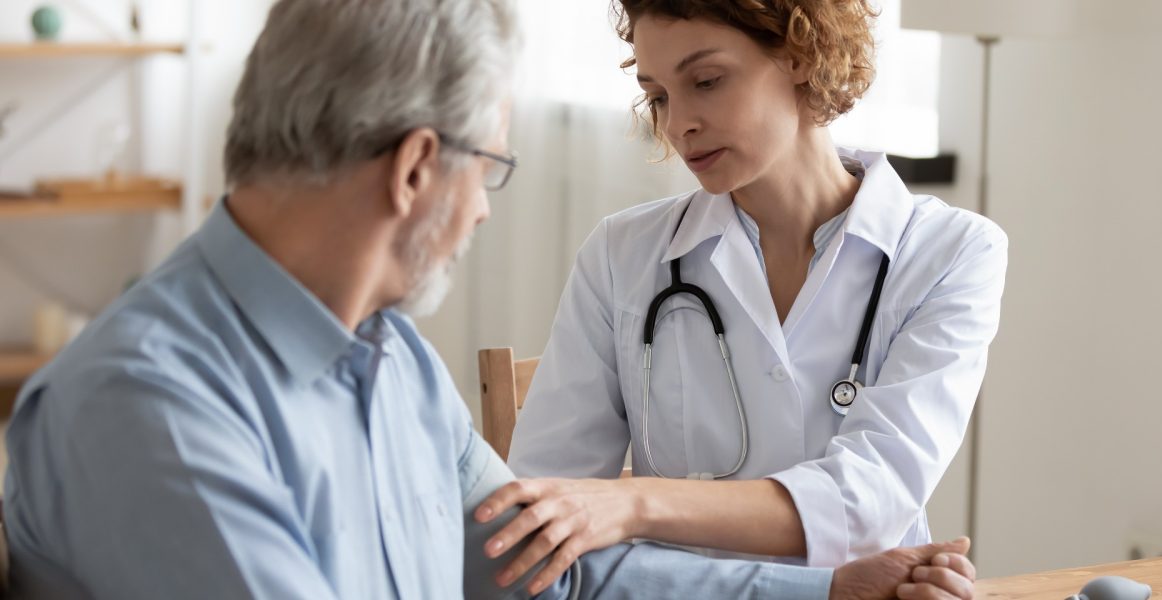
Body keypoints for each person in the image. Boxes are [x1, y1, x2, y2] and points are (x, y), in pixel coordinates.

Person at [2, 0, 977, 599]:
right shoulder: (152, 408)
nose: (482, 216)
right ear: (417, 171)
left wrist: (833, 594)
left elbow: (543, 569)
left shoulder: (392, 366)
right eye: (493, 171)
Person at [495, 0, 1009, 591]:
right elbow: (537, 529)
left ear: (799, 52)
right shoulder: (621, 255)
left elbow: (870, 503)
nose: (678, 123)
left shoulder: (951, 253)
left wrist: (633, 503)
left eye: (706, 82)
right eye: (659, 95)